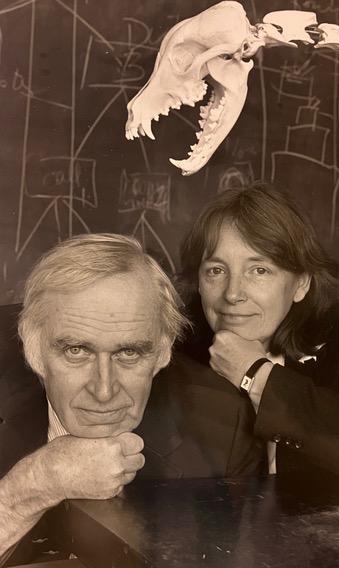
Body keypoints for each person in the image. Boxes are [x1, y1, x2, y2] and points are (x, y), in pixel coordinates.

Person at [0, 233, 263, 562]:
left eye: (129, 353)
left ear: (163, 351)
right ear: (34, 350)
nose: (104, 390)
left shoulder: (223, 425)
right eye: (77, 350)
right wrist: (37, 482)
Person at [178, 183, 339, 495]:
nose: (233, 293)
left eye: (259, 270)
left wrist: (256, 375)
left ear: (301, 284)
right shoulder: (176, 344)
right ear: (198, 281)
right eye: (215, 270)